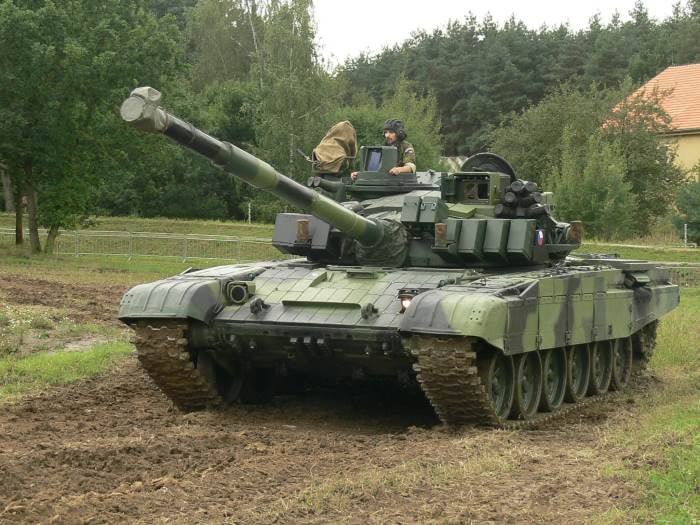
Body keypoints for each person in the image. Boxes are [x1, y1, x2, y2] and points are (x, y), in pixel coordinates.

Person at [351, 119, 416, 180]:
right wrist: (360, 174)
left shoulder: (406, 146)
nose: (387, 135)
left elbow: (411, 167)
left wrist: (399, 170)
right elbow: (375, 168)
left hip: (401, 181)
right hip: (385, 180)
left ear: (399, 133)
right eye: (386, 132)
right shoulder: (384, 146)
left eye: (391, 132)